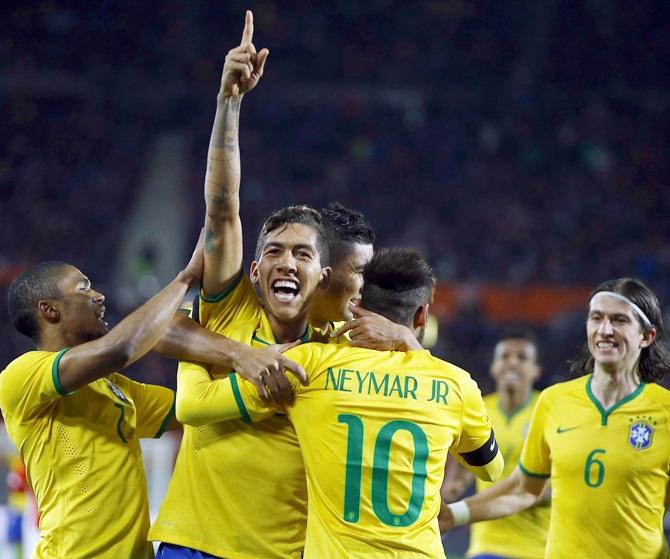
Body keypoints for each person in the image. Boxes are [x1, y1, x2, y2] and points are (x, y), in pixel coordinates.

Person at [150, 12, 420, 558]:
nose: (285, 263)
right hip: (191, 543)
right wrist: (229, 103)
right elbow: (222, 209)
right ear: (254, 270)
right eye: (272, 252)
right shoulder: (230, 307)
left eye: (301, 253)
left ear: (323, 274)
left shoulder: (343, 348)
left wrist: (412, 345)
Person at [177, 247, 504, 557]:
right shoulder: (454, 383)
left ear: (360, 304)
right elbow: (491, 469)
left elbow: (194, 406)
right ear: (422, 316)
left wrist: (196, 348)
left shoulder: (309, 365)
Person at [0, 233, 205, 559]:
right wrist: (187, 277)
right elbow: (121, 348)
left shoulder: (116, 388)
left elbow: (196, 408)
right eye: (83, 288)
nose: (98, 296)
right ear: (50, 310)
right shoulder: (21, 376)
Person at [443, 277, 670, 559]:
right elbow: (525, 491)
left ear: (647, 336)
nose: (605, 329)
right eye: (596, 318)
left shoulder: (665, 412)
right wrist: (454, 514)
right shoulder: (554, 402)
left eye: (619, 321)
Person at [441, 331, 549, 559]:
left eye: (522, 357)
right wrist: (451, 490)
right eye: (505, 356)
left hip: (538, 549)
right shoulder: (479, 411)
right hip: (487, 546)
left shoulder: (548, 411)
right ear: (494, 366)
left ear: (536, 370)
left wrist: (464, 510)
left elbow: (549, 490)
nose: (512, 362)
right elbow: (462, 470)